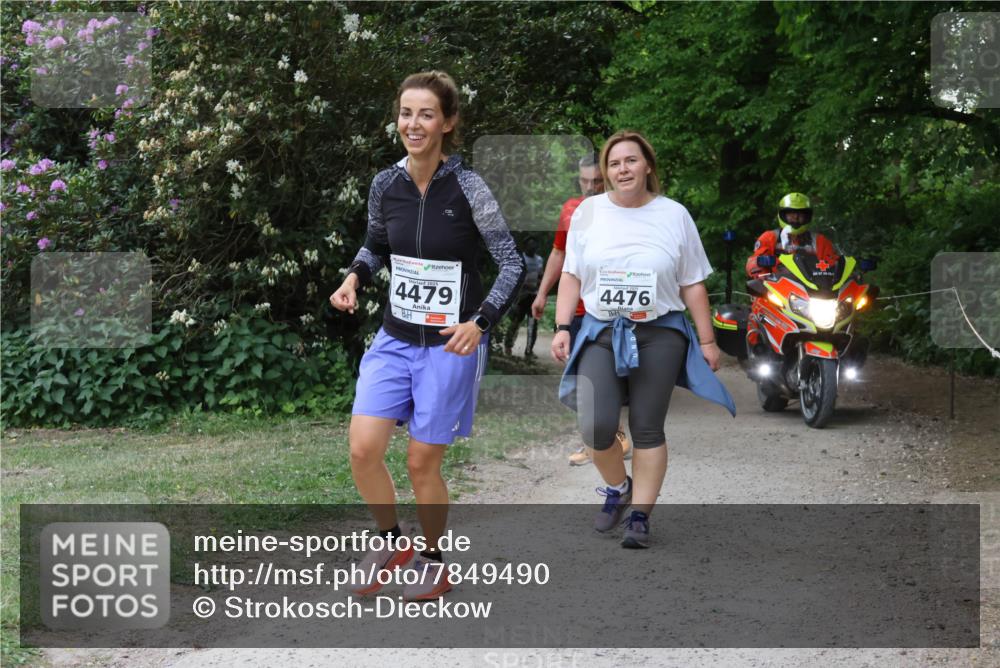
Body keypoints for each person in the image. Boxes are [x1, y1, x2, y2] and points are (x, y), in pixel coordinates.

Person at [330, 71, 524, 598]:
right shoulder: (385, 184)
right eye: (406, 113)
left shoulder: (468, 187)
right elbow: (375, 245)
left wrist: (479, 322)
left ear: (448, 122)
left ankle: (434, 559)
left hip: (450, 343)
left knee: (421, 461)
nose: (413, 124)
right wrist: (353, 277)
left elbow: (510, 264)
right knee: (363, 449)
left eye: (426, 114)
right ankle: (392, 542)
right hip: (395, 339)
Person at [551, 130, 735, 549]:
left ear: (647, 165)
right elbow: (572, 274)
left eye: (631, 161)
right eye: (614, 163)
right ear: (605, 171)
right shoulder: (588, 213)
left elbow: (692, 283)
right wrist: (563, 327)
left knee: (648, 427)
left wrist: (706, 342)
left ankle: (639, 517)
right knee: (595, 425)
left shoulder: (674, 215)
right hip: (601, 329)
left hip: (660, 332)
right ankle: (618, 488)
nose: (623, 169)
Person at [532, 154, 632, 466]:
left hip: (610, 310)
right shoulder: (571, 210)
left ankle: (611, 437)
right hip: (576, 310)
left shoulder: (626, 210)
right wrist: (542, 292)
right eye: (584, 181)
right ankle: (599, 438)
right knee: (578, 377)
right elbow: (558, 253)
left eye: (596, 182)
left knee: (605, 375)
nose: (590, 188)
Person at [745, 192, 839, 277]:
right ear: (782, 215)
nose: (796, 218)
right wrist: (761, 273)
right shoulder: (770, 237)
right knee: (760, 293)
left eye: (800, 214)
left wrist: (844, 271)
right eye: (791, 214)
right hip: (777, 288)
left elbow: (834, 264)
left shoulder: (819, 240)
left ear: (807, 217)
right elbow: (754, 262)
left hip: (812, 289)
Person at [503, 237, 544, 357]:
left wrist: (541, 292)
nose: (533, 247)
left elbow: (541, 276)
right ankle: (508, 347)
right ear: (525, 246)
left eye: (534, 245)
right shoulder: (521, 259)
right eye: (530, 245)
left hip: (533, 296)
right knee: (515, 323)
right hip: (520, 297)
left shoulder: (539, 260)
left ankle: (529, 351)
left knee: (533, 325)